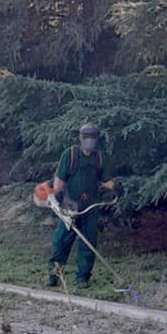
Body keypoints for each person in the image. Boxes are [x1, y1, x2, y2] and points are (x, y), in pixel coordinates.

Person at [47, 123, 116, 288]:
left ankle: (82, 278)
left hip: (90, 206)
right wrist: (56, 198)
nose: (89, 141)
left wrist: (111, 186)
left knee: (88, 242)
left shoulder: (99, 158)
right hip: (70, 205)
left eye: (93, 137)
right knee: (61, 241)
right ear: (81, 138)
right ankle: (54, 274)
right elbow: (58, 180)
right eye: (87, 137)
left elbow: (108, 181)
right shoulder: (70, 155)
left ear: (96, 139)